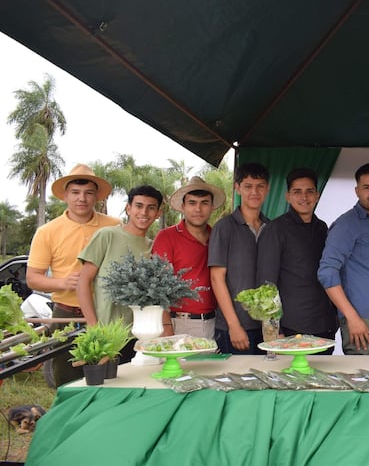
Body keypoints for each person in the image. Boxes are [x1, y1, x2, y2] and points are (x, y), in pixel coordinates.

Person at [26, 164, 121, 386]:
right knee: (67, 379)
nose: (82, 199)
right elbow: (33, 278)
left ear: (97, 196)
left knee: (111, 378)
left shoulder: (114, 226)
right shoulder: (47, 232)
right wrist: (63, 282)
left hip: (106, 314)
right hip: (66, 315)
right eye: (76, 192)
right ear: (65, 195)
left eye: (88, 193)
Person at [318, 163, 369, 355]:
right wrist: (351, 317)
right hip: (362, 322)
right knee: (365, 375)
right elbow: (327, 272)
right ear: (357, 191)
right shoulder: (346, 225)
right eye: (367, 187)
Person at [76, 185, 163, 360]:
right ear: (128, 208)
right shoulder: (107, 235)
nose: (144, 212)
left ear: (158, 213)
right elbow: (83, 282)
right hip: (107, 335)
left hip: (141, 338)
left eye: (151, 207)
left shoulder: (153, 246)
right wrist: (94, 327)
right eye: (138, 206)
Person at [256, 168, 337, 351]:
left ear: (317, 196)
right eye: (297, 192)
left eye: (309, 191)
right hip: (291, 327)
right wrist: (275, 330)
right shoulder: (275, 229)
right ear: (288, 196)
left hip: (324, 325)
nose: (304, 197)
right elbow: (266, 284)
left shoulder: (322, 228)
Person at [151, 176, 225, 339]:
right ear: (183, 206)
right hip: (179, 323)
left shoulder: (217, 236)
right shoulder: (167, 237)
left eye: (204, 203)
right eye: (192, 203)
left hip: (216, 324)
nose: (198, 209)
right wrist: (166, 326)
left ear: (212, 206)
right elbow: (157, 286)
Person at [208, 162, 271, 354]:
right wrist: (234, 325)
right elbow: (216, 278)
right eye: (248, 186)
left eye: (260, 186)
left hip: (266, 328)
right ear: (237, 188)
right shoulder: (224, 227)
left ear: (267, 189)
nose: (254, 192)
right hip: (235, 328)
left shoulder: (272, 228)